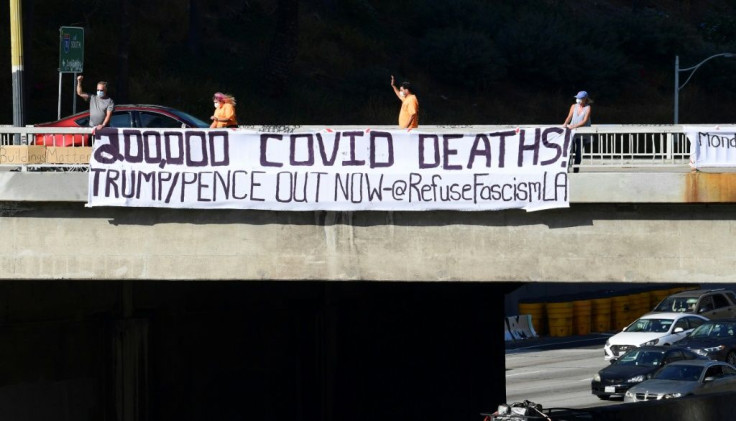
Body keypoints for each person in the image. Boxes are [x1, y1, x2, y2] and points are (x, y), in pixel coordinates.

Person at [562, 90, 592, 173]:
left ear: (585, 99)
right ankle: (566, 169)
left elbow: (585, 120)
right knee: (569, 150)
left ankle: (576, 170)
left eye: (580, 98)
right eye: (577, 98)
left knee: (578, 152)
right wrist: (565, 124)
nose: (578, 100)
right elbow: (569, 117)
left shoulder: (588, 108)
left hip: (582, 133)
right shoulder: (573, 106)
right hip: (572, 132)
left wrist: (574, 126)